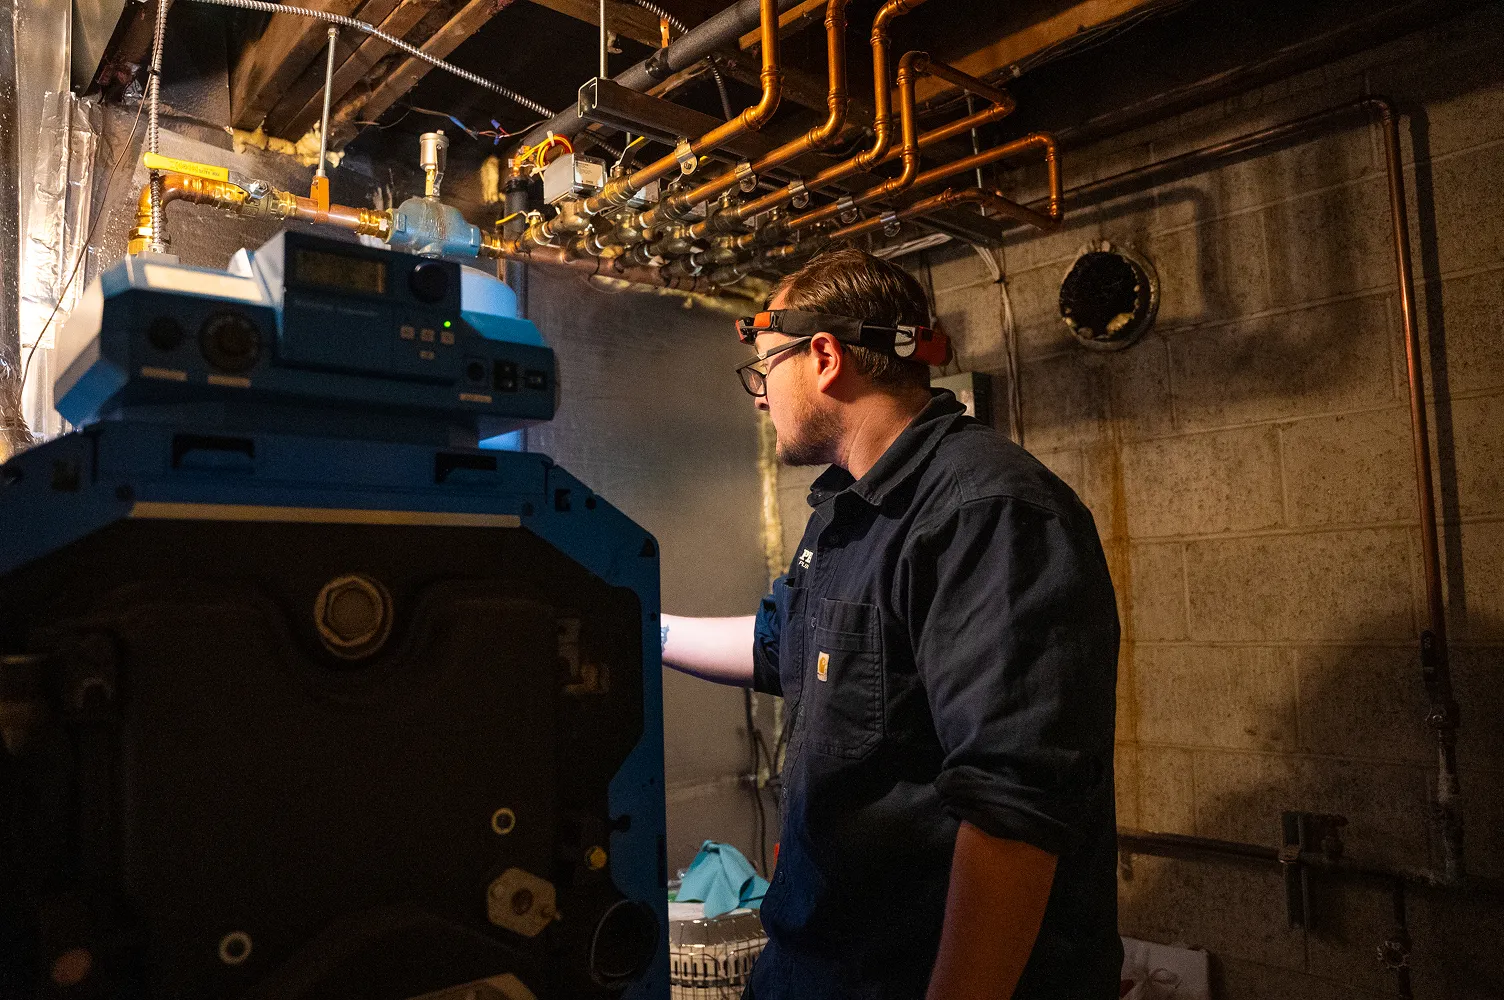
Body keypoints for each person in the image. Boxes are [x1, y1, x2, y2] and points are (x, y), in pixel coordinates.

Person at [661, 248, 1121, 1000]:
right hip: (819, 964)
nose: (757, 396)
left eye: (763, 368)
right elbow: (778, 645)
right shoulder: (850, 510)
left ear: (824, 357)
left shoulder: (986, 513)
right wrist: (635, 624)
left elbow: (1013, 810)